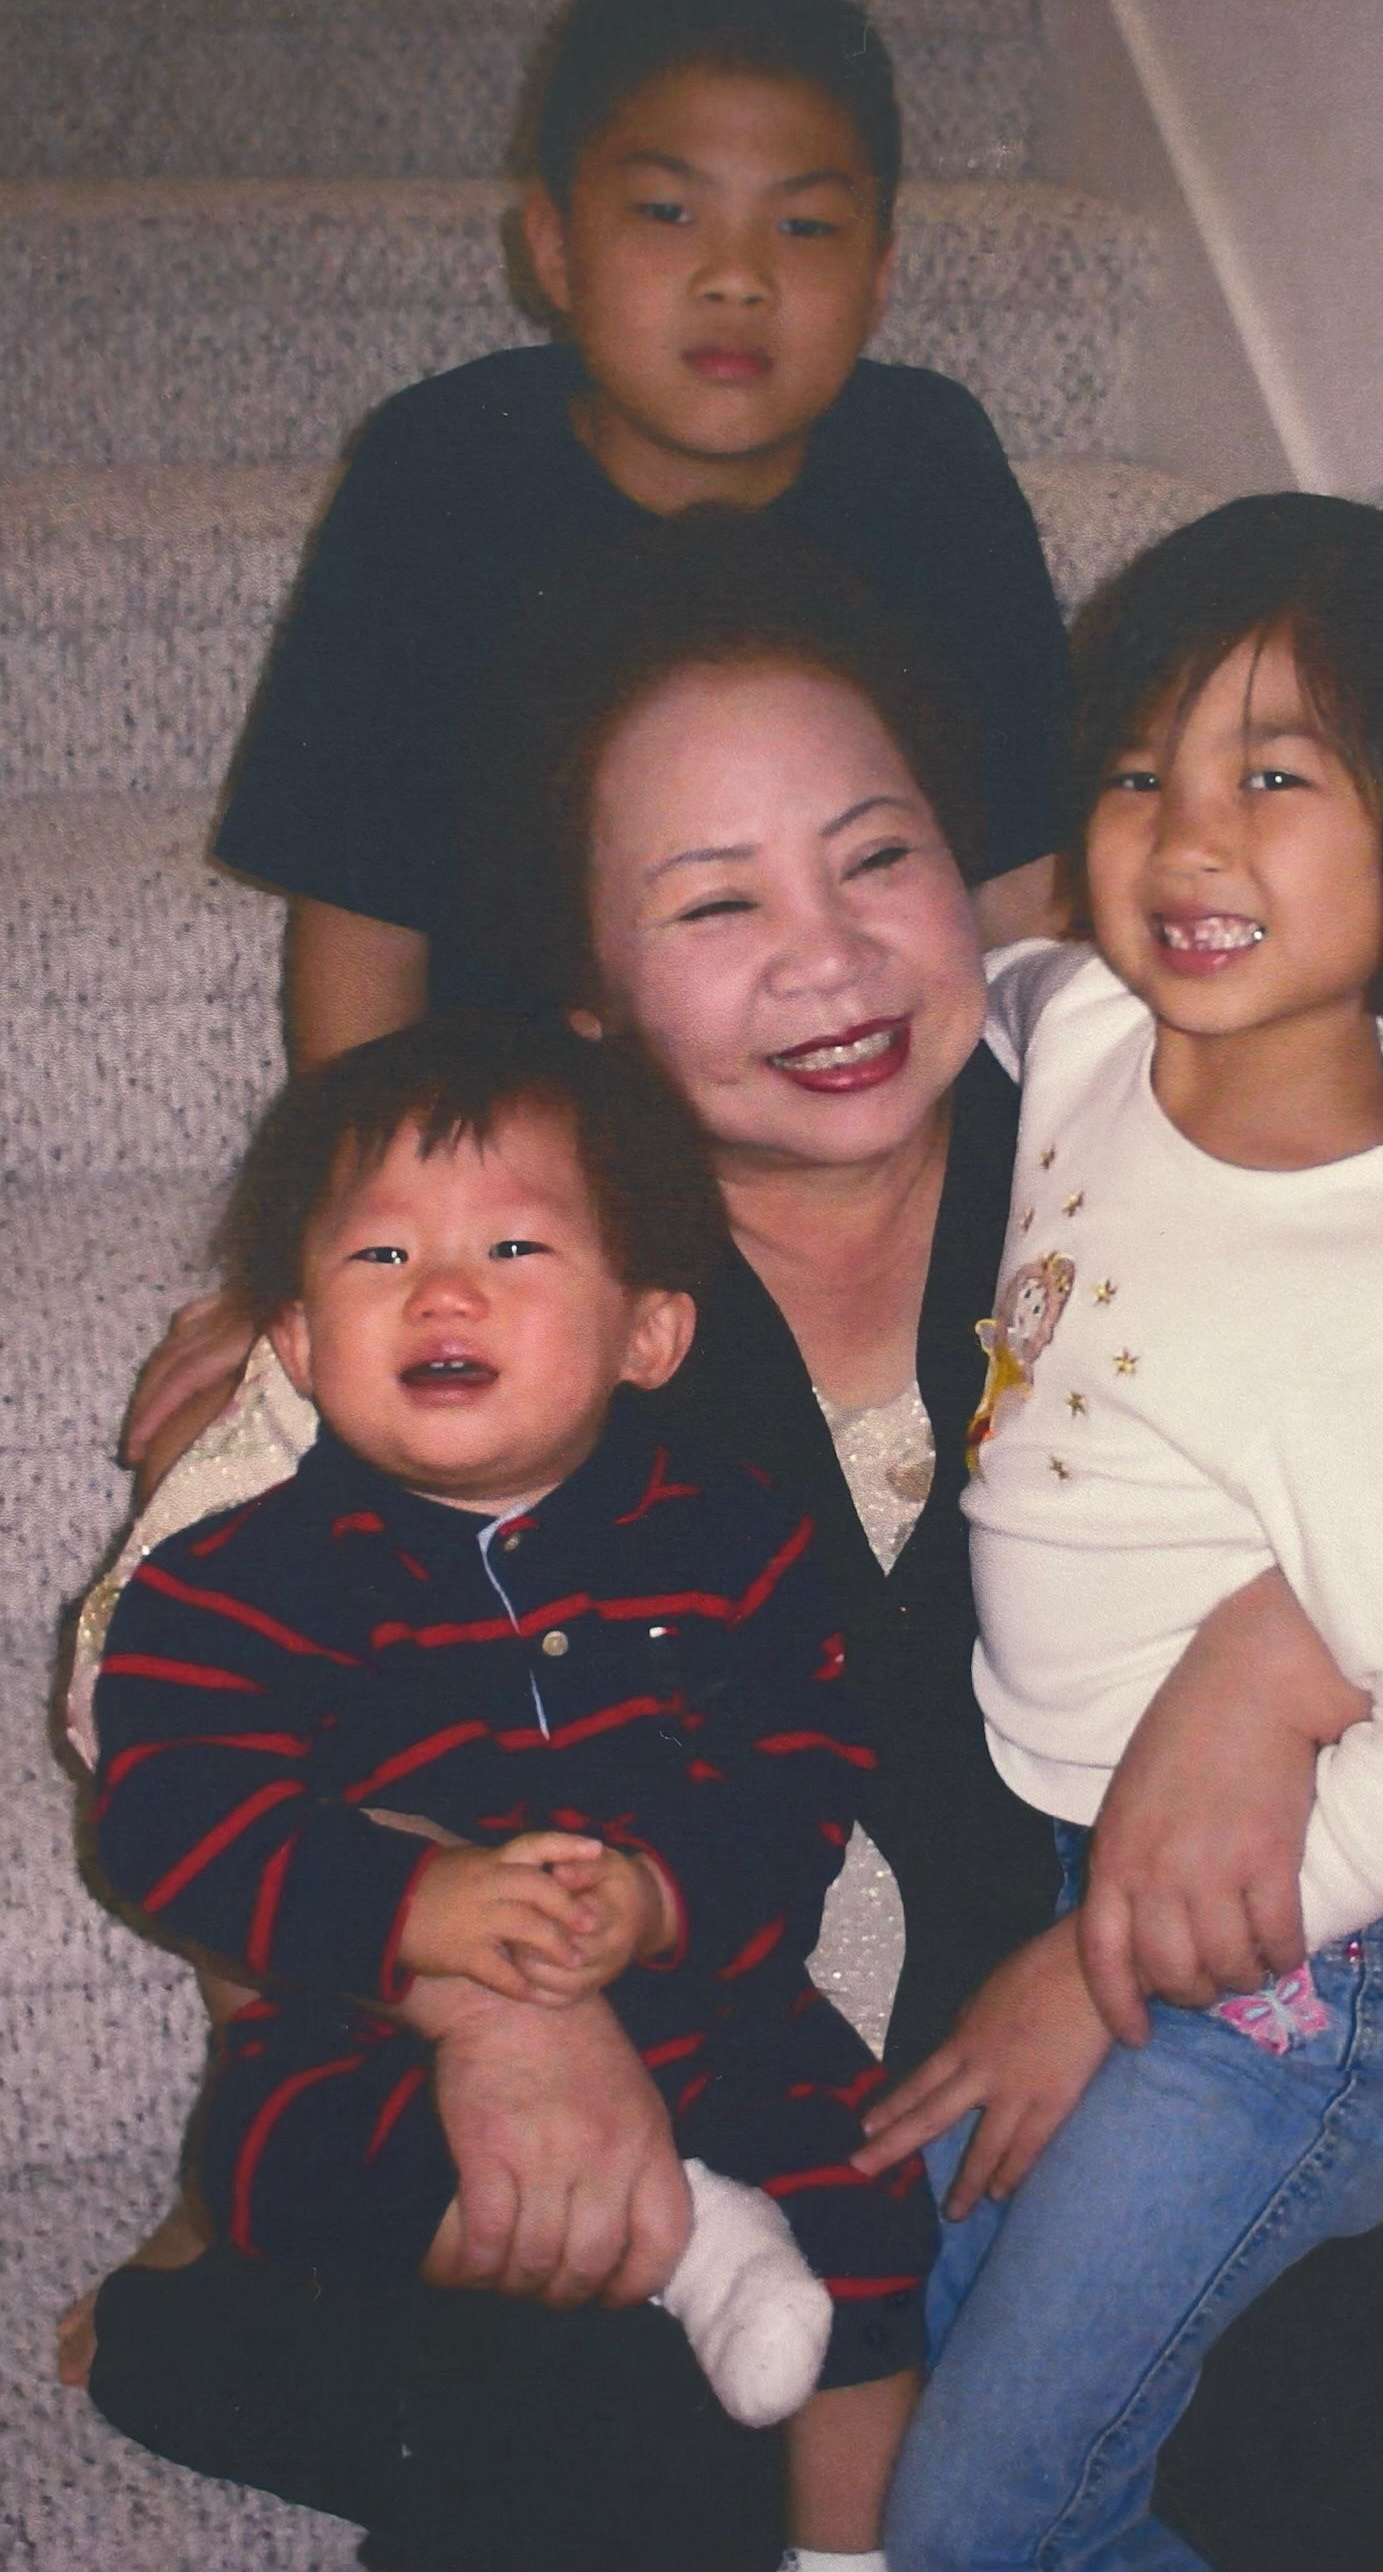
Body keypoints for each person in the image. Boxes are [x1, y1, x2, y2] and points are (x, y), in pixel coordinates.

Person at [81, 516, 1383, 2572]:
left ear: (974, 872)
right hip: (706, 2044)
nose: (827, 962)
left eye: (875, 860)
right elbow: (157, 1666)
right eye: (711, 903)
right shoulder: (507, 1283)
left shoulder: (1127, 1102)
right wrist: (497, 2001)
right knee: (611, 2394)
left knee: (1336, 2369)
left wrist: (1286, 1646)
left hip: (1096, 2012)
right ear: (579, 987)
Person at [125, 0, 1069, 1488]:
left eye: (808, 229)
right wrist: (338, 1245)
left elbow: (1026, 878)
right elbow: (362, 915)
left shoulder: (932, 469)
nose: (735, 276)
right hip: (537, 1137)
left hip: (859, 1114)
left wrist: (1099, 1170)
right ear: (551, 248)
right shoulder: (442, 476)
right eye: (665, 211)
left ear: (887, 273)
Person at [857, 493, 1383, 2567]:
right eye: (1142, 773)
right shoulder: (1089, 1028)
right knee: (922, 2345)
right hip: (1118, 1876)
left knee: (985, 2516)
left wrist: (1104, 1966)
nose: (1191, 837)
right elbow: (980, 972)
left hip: (1323, 1969)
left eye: (1275, 776)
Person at [93, 1015, 937, 2565]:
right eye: (380, 1259)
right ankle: (686, 2245)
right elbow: (169, 1815)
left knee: (878, 2201)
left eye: (512, 1244)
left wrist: (664, 1890)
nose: (445, 1290)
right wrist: (416, 1906)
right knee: (284, 2171)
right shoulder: (232, 1581)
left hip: (720, 2017)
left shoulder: (734, 1538)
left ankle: (847, 2549)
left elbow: (802, 1768)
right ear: (293, 1341)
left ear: (647, 1334)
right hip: (373, 2042)